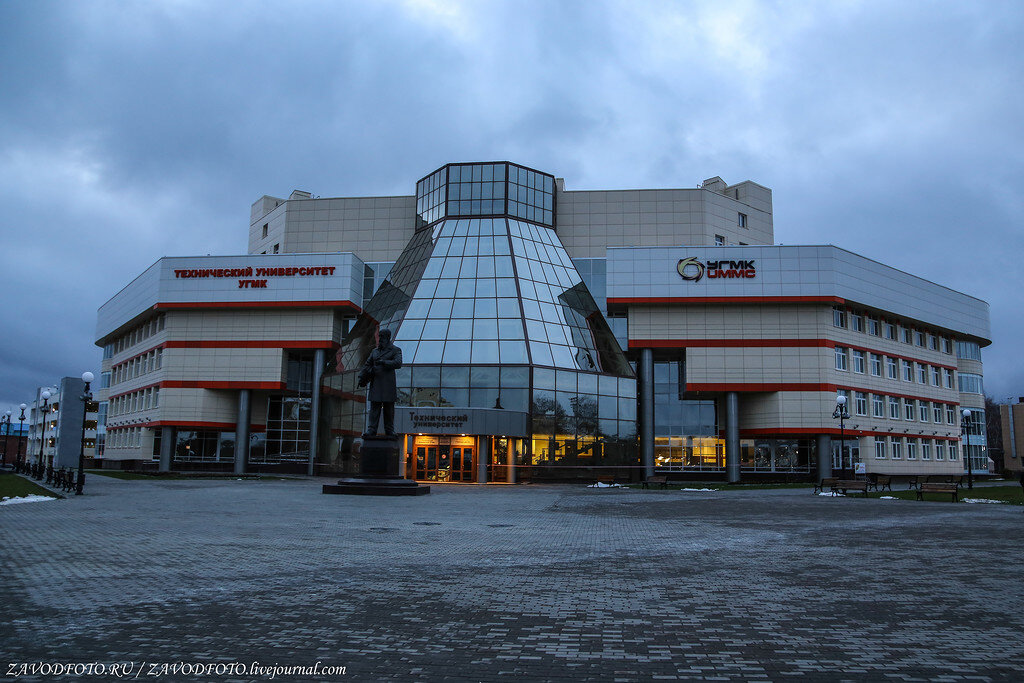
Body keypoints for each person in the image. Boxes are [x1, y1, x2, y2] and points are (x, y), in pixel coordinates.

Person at [357, 328, 403, 436]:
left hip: (388, 385)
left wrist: (384, 362)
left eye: (382, 337)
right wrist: (361, 377)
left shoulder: (395, 350)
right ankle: (372, 429)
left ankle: (389, 430)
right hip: (376, 383)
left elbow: (398, 363)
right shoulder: (375, 351)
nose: (380, 339)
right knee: (374, 409)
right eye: (380, 337)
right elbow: (367, 365)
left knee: (389, 410)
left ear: (388, 338)